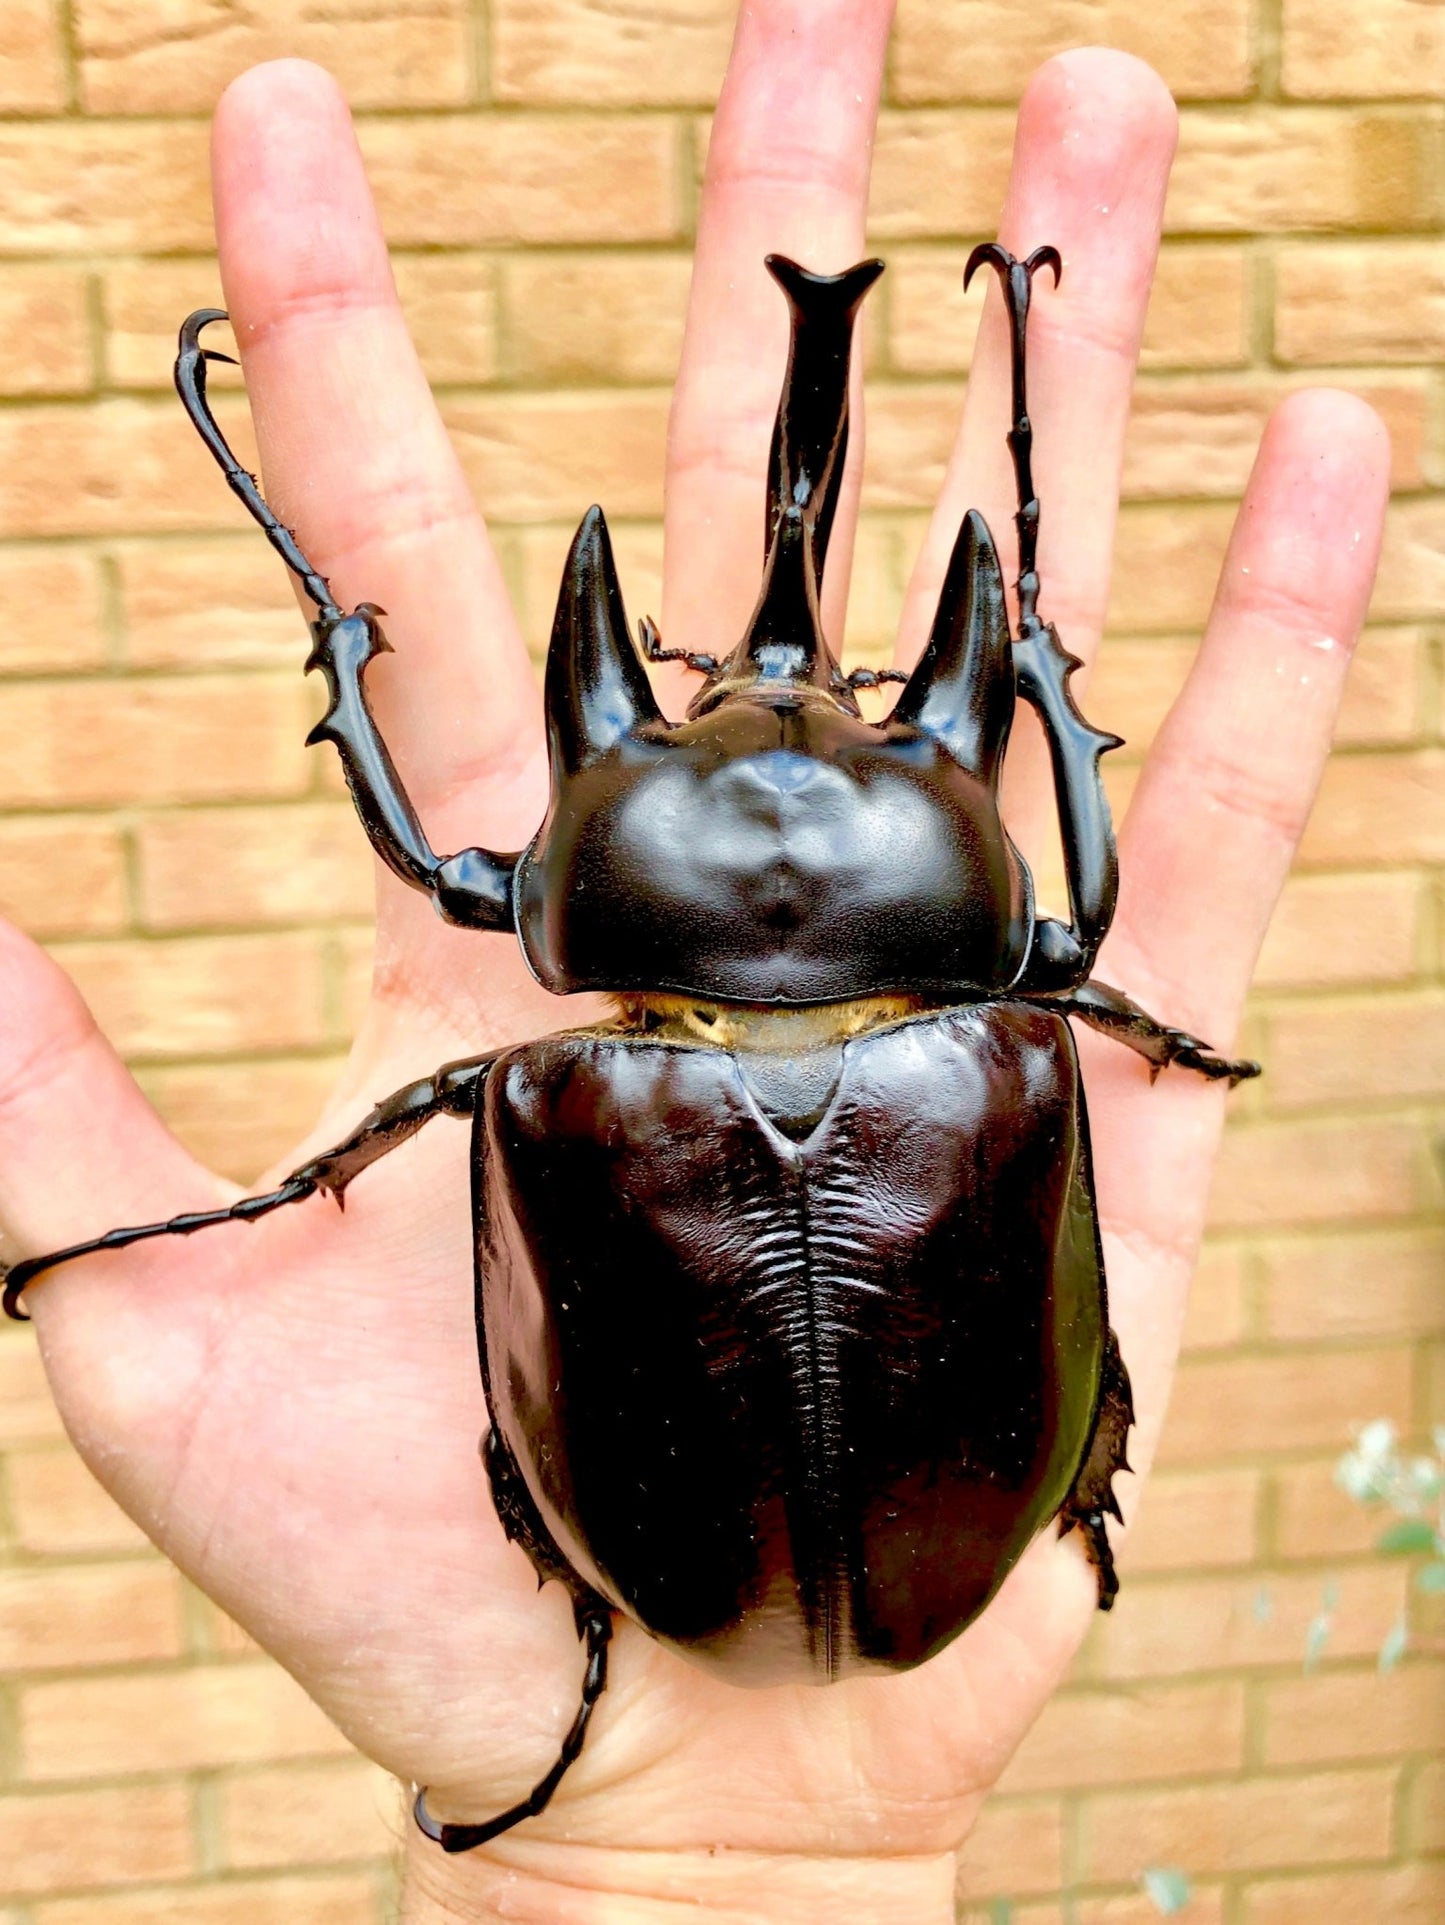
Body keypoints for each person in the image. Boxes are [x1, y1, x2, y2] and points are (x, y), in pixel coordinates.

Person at [0, 6, 1388, 1921]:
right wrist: (1033, 656)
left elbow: (418, 849)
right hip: (921, 1548)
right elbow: (1064, 939)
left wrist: (339, 617)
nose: (774, 683)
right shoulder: (1021, 1040)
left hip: (682, 1566)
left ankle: (630, 1645)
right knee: (1058, 1002)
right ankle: (1073, 1499)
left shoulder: (548, 1081)